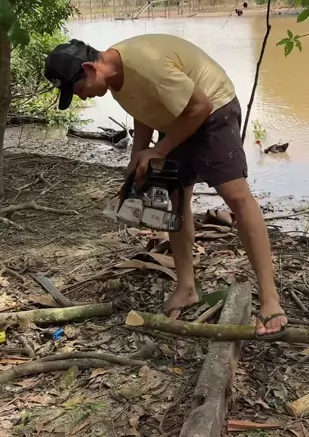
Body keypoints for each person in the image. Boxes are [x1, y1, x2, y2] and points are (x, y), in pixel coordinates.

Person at [44, 34, 287, 337]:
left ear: (90, 68)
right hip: (177, 117)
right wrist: (137, 160)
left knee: (236, 196)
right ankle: (187, 287)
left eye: (79, 90)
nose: (82, 98)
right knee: (176, 199)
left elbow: (200, 106)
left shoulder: (146, 67)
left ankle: (270, 299)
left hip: (212, 110)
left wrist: (159, 150)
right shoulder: (114, 79)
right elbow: (144, 110)